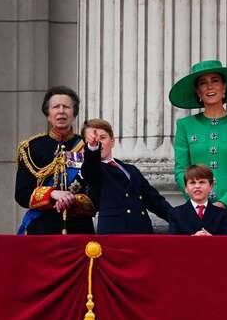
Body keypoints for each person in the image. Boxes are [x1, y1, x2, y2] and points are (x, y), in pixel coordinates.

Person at [170, 60, 227, 235]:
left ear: (224, 87)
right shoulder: (185, 125)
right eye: (203, 83)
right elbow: (181, 169)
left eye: (215, 80)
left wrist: (225, 203)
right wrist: (198, 200)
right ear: (198, 92)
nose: (210, 87)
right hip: (196, 212)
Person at [15, 86, 99, 235]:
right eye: (56, 107)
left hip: (79, 231)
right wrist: (52, 194)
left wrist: (73, 199)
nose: (61, 111)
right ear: (48, 114)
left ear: (74, 114)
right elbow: (21, 194)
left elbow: (97, 191)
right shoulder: (31, 147)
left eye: (66, 107)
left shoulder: (88, 148)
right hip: (41, 230)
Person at [82, 118, 173, 234]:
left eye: (103, 138)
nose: (98, 142)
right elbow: (90, 168)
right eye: (93, 140)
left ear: (112, 141)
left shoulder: (130, 169)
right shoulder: (93, 169)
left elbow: (155, 200)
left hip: (142, 233)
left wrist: (183, 221)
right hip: (114, 235)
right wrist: (92, 148)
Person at [168, 165, 227, 235]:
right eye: (192, 182)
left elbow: (226, 243)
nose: (197, 186)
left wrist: (212, 239)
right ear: (186, 188)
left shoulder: (221, 214)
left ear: (211, 186)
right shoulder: (176, 213)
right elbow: (173, 242)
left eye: (202, 182)